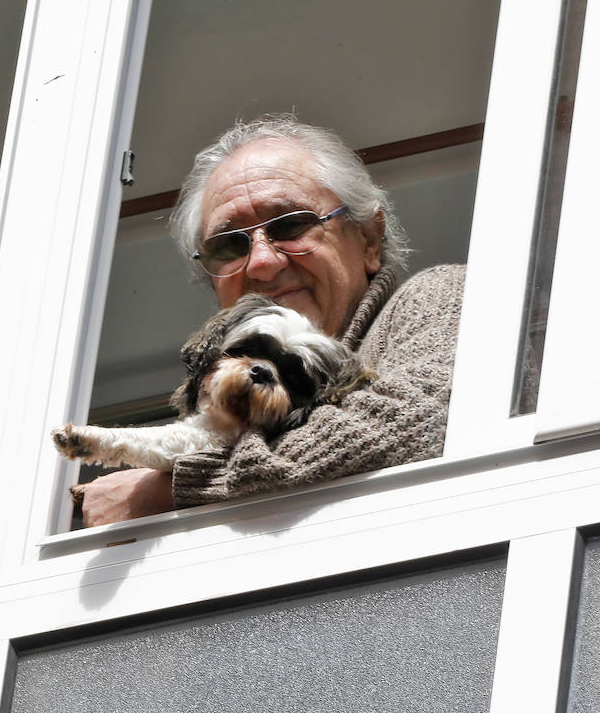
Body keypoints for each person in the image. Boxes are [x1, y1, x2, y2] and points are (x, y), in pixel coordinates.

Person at [77, 115, 464, 527]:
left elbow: (414, 421)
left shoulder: (436, 297)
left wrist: (171, 489)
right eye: (229, 245)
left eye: (291, 224)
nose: (262, 262)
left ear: (369, 239)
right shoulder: (223, 393)